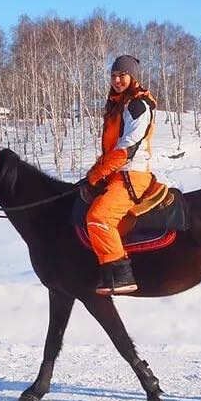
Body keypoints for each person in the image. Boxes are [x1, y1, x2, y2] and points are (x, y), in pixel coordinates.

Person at [84, 55, 157, 295]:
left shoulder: (138, 105)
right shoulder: (119, 104)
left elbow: (127, 148)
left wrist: (97, 172)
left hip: (130, 174)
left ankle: (121, 274)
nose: (117, 80)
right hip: (115, 173)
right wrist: (98, 171)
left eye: (122, 76)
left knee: (98, 217)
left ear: (132, 77)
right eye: (114, 76)